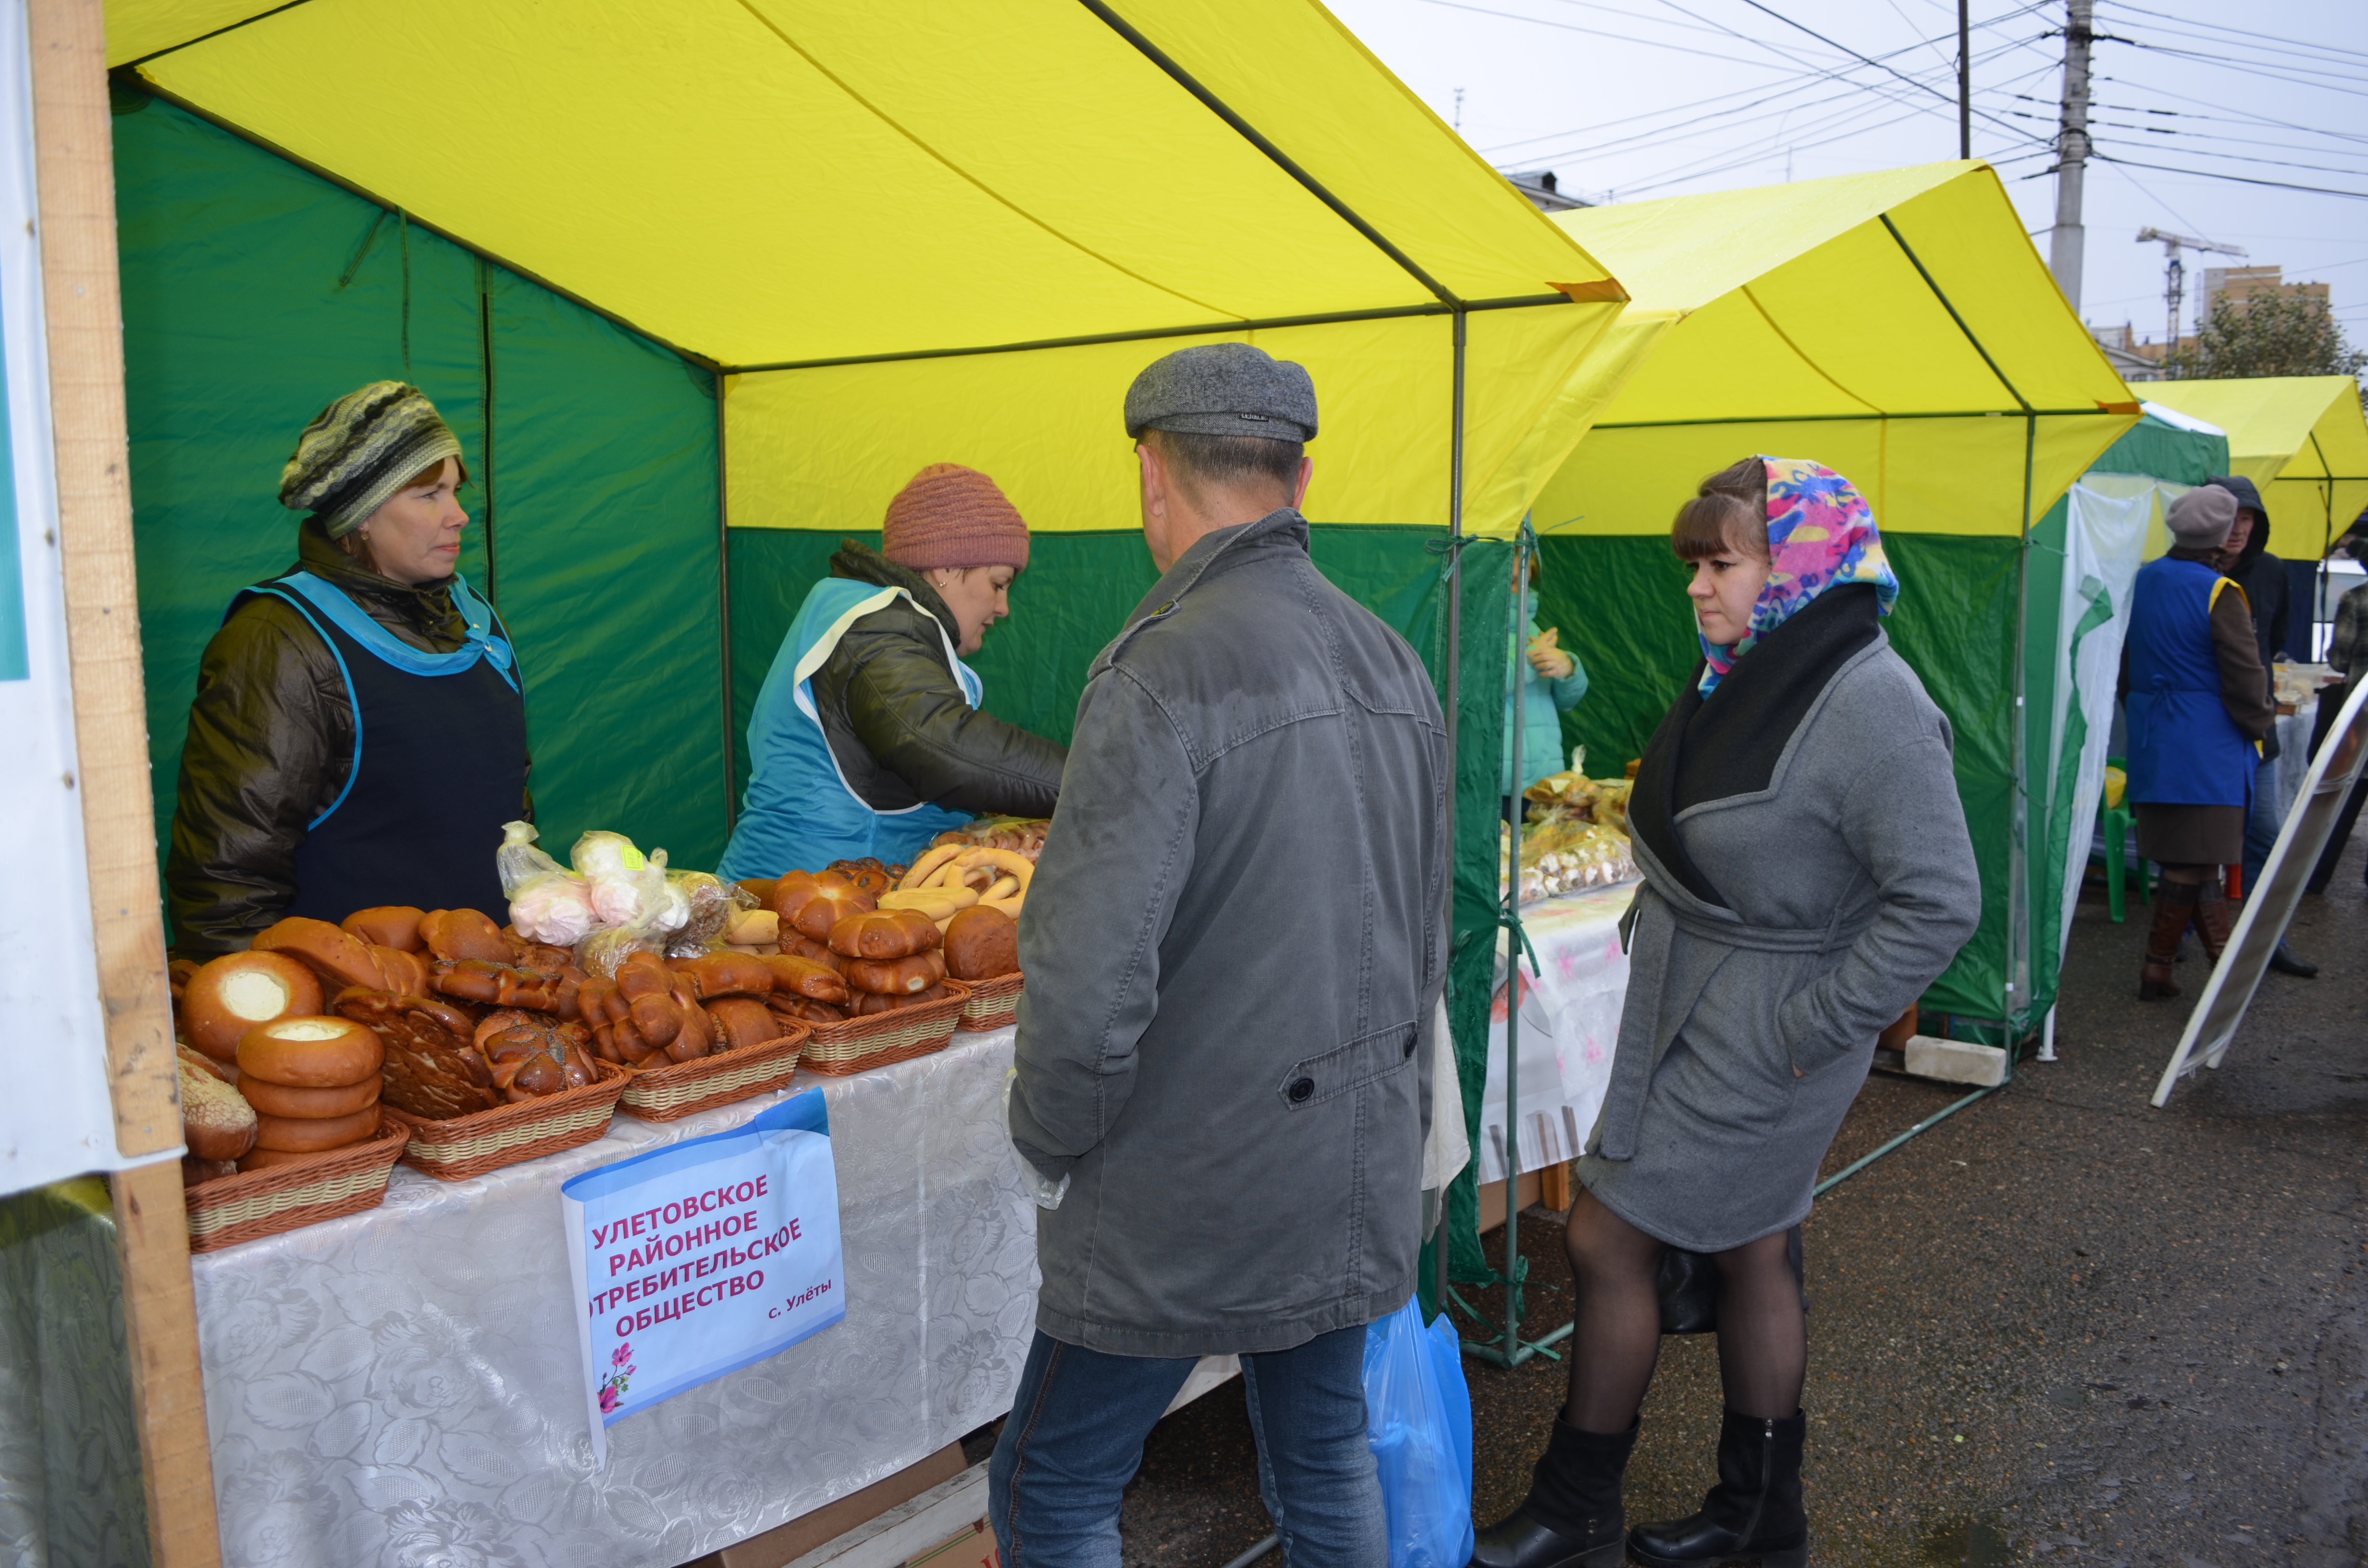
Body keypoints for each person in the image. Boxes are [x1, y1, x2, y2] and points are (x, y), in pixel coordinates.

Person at [1472, 457, 1977, 1568]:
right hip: (1696, 1000)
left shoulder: (1875, 702)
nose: (1699, 587)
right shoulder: (1753, 673)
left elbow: (1941, 897)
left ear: (1799, 565)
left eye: (1722, 563)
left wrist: (1813, 1024)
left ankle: (1577, 1507)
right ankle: (1759, 1520)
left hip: (1770, 1031)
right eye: (1692, 565)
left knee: (1606, 1232)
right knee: (1755, 1249)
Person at [991, 343, 1446, 1568]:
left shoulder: (1158, 669)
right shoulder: (1392, 656)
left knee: (1052, 1486)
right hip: (1348, 1150)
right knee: (1324, 1458)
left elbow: (1089, 985)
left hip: (1188, 1174)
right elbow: (1425, 934)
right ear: (1301, 478)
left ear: (1151, 472)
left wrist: (1051, 1136)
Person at [167, 381, 526, 951]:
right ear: (361, 515)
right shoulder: (277, 640)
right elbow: (227, 881)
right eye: (429, 494)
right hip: (354, 1006)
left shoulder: (474, 619)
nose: (458, 516)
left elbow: (505, 811)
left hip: (484, 987)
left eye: (458, 492)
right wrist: (260, 1010)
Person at [718, 464, 1066, 881]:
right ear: (945, 568)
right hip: (801, 904)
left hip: (848, 893)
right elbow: (943, 746)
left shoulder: (885, 624)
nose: (1003, 607)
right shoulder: (874, 627)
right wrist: (1094, 781)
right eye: (999, 583)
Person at [2121, 485, 2274, 1002]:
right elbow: (2244, 676)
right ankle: (2225, 979)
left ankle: (2157, 969)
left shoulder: (2144, 578)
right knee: (2195, 859)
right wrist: (2261, 725)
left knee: (2189, 859)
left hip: (2153, 735)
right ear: (2217, 538)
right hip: (2206, 743)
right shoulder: (2219, 592)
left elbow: (2125, 666)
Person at [2208, 475, 2317, 977]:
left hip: (2256, 732)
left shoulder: (2270, 572)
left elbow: (2271, 638)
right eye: (2229, 518)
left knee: (2263, 835)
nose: (2237, 530)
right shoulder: (2186, 575)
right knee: (2200, 839)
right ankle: (2187, 935)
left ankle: (2266, 938)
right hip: (2204, 730)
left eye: (2247, 519)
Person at [1508, 551, 1589, 810]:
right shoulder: (1468, 626)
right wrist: (1531, 659)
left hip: (1544, 781)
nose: (1521, 591)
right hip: (1494, 784)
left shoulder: (1532, 629)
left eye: (1525, 581)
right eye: (1511, 581)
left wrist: (1568, 668)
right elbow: (1474, 690)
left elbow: (1566, 701)